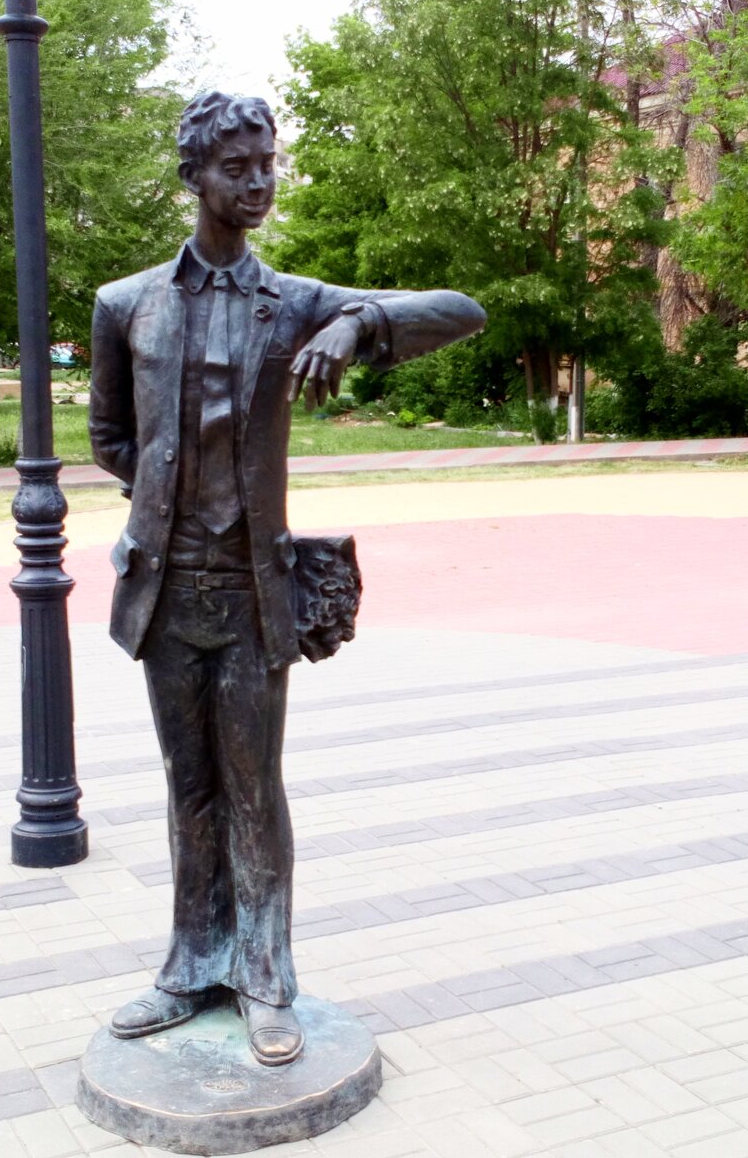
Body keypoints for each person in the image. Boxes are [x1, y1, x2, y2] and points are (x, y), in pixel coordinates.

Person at [89, 90, 485, 1066]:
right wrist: (167, 497)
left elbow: (461, 312)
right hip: (165, 590)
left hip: (252, 591)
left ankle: (265, 978)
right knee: (189, 788)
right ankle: (191, 967)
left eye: (267, 164)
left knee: (254, 788)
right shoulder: (127, 304)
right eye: (237, 168)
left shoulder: (296, 301)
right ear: (194, 176)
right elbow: (108, 435)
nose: (258, 183)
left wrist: (356, 323)